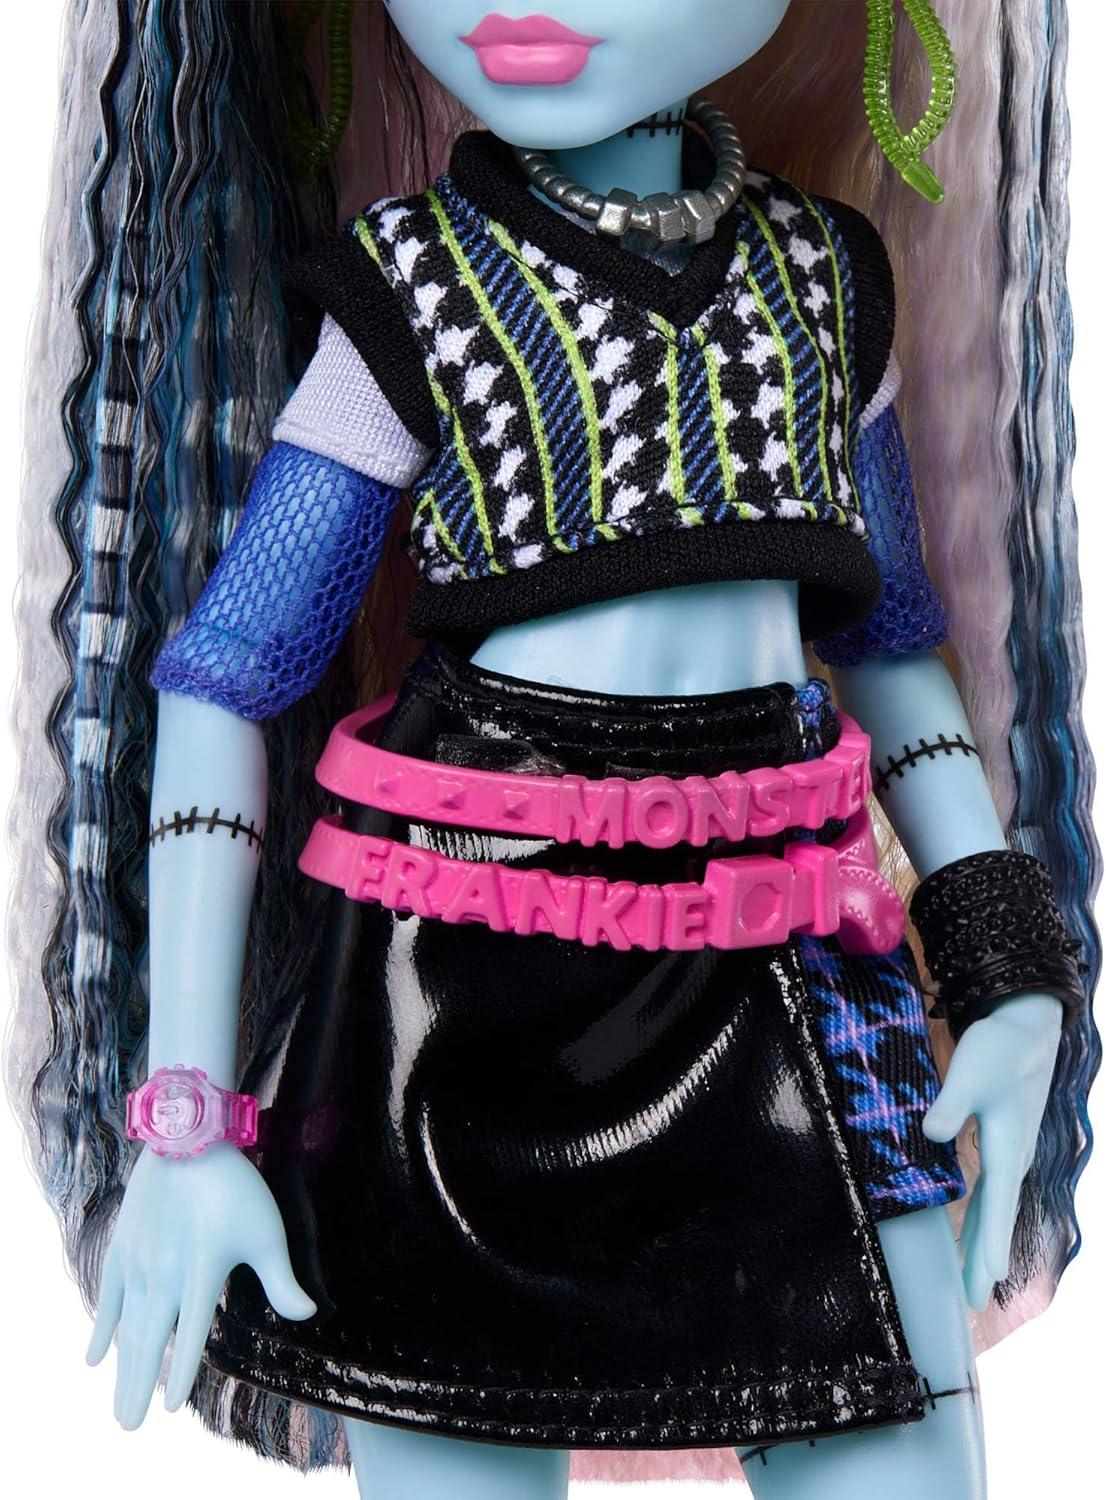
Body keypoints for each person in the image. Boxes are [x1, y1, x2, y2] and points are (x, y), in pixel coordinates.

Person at [8, 3, 1098, 1497]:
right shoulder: (416, 291)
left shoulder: (821, 283)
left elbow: (895, 650)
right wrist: (187, 1117)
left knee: (897, 1432)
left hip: (788, 965)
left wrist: (1001, 963)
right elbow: (226, 677)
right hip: (459, 1007)